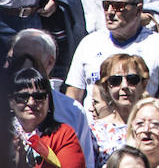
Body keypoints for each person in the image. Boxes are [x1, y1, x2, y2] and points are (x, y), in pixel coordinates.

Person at [64, 0, 159, 110]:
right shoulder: (89, 43)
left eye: (118, 6)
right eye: (106, 5)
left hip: (138, 126)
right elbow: (73, 94)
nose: (110, 12)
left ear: (138, 10)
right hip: (92, 127)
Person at [8, 28, 98, 168]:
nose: (31, 102)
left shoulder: (71, 118)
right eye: (17, 60)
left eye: (38, 97)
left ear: (50, 62)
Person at [9, 59, 87, 168]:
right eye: (23, 97)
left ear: (48, 101)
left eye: (38, 97)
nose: (31, 102)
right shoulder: (0, 133)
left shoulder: (63, 135)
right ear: (11, 101)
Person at [89, 53, 151, 161]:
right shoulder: (95, 130)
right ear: (106, 87)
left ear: (143, 84)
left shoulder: (154, 127)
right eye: (115, 81)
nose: (124, 86)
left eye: (132, 79)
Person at [123, 97, 159, 168]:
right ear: (132, 131)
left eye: (155, 124)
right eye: (140, 123)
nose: (146, 130)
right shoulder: (119, 165)